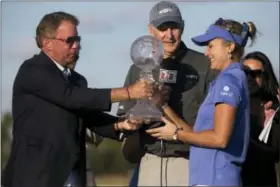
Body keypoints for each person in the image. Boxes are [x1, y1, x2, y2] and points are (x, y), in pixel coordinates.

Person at [1, 11, 154, 187]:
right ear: (47, 44)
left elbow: (88, 115)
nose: (76, 46)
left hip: (72, 174)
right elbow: (70, 96)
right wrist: (128, 92)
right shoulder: (32, 70)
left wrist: (120, 124)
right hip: (35, 176)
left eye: (77, 40)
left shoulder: (77, 80)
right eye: (69, 41)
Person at [117, 1, 218, 186]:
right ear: (151, 29)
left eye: (174, 27)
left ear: (183, 27)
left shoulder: (204, 65)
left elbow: (215, 125)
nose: (169, 35)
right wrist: (138, 118)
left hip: (190, 161)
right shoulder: (138, 68)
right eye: (163, 28)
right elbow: (124, 120)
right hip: (150, 161)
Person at [147, 18, 257, 186]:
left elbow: (219, 139)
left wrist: (175, 134)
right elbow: (198, 134)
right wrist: (163, 105)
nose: (206, 53)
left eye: (211, 46)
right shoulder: (228, 79)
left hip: (215, 178)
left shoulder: (229, 80)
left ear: (230, 47)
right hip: (210, 178)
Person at [241, 51, 280, 186]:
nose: (250, 78)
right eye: (245, 73)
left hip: (262, 179)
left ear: (265, 76)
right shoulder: (230, 104)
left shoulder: (274, 108)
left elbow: (275, 152)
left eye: (256, 74)